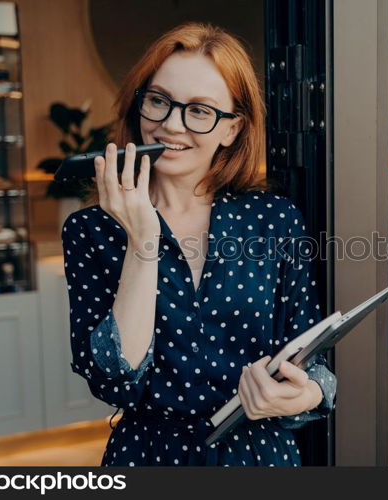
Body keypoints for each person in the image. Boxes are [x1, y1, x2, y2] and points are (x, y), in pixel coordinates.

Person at [61, 22, 336, 466]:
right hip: (148, 455)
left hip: (259, 455)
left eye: (200, 111)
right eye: (159, 101)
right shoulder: (90, 230)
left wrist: (305, 394)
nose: (171, 125)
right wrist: (142, 239)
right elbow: (115, 381)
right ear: (139, 104)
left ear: (232, 129)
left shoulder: (272, 218)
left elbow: (312, 358)